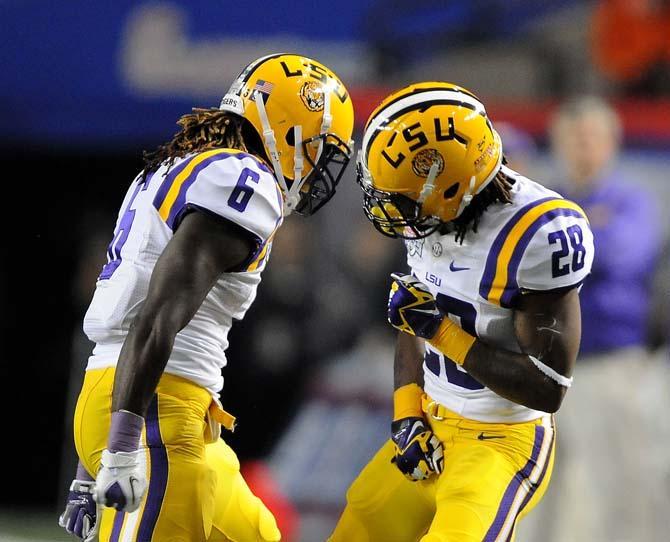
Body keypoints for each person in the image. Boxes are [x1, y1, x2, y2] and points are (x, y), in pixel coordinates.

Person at [57, 53, 354, 542]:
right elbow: (155, 318)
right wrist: (124, 446)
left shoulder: (183, 166)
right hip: (157, 412)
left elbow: (132, 307)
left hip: (133, 399)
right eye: (320, 148)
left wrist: (92, 464)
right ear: (291, 130)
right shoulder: (245, 181)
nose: (321, 166)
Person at [329, 82, 594, 542]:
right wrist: (406, 411)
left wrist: (443, 332)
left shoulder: (537, 235)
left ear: (449, 186)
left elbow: (547, 387)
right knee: (357, 528)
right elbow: (412, 321)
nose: (390, 207)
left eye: (404, 195)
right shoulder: (435, 213)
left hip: (501, 441)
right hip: (432, 420)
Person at [518, 96, 666, 542]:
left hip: (609, 365)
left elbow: (623, 255)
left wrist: (563, 247)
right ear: (559, 142)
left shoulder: (632, 199)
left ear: (612, 143)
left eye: (593, 137)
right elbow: (522, 267)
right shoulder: (542, 201)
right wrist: (586, 234)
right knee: (533, 493)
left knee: (627, 490)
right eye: (575, 136)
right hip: (541, 368)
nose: (584, 146)